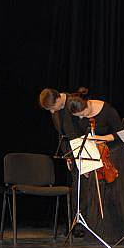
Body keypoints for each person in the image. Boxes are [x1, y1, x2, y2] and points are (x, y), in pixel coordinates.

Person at [67, 89, 124, 244]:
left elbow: (121, 134)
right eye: (79, 117)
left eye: (83, 114)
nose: (82, 118)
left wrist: (101, 138)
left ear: (88, 103)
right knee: (94, 195)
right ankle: (99, 233)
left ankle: (118, 235)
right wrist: (82, 164)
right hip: (95, 155)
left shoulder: (108, 111)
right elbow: (78, 138)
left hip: (115, 154)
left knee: (115, 194)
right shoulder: (78, 114)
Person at [39, 88, 89, 237]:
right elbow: (61, 135)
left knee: (86, 189)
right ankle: (76, 224)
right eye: (49, 110)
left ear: (58, 99)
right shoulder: (54, 111)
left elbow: (84, 128)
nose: (52, 112)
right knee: (77, 190)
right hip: (71, 154)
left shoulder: (73, 102)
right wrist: (67, 155)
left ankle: (85, 226)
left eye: (52, 108)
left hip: (85, 150)